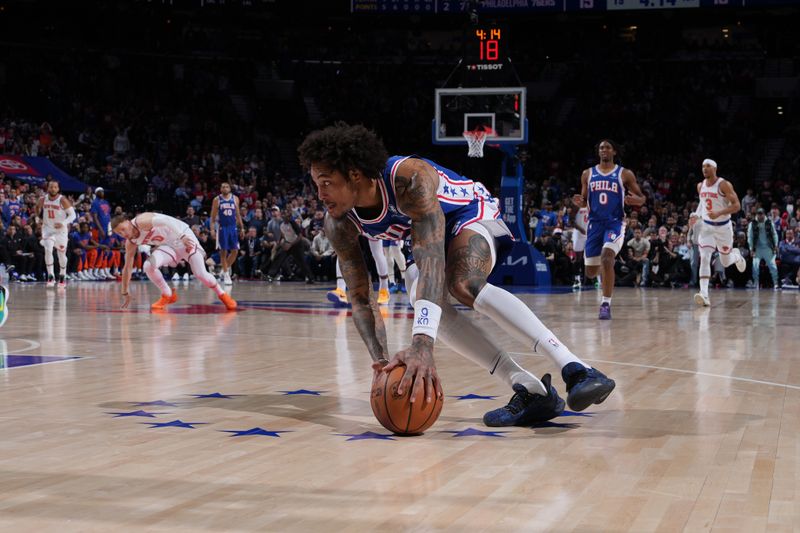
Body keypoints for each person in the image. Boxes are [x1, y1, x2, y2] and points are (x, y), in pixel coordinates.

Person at [299, 123, 615, 427]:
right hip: (425, 233)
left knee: (462, 283)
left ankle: (577, 369)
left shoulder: (407, 178)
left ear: (354, 175)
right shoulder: (338, 223)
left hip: (470, 211)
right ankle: (530, 389)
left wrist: (422, 345)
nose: (320, 193)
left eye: (326, 182)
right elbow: (360, 297)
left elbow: (432, 259)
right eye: (315, 184)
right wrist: (381, 364)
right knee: (414, 291)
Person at [572, 140, 646, 319]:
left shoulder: (624, 174)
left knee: (607, 257)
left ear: (614, 152)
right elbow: (583, 198)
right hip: (594, 225)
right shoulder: (587, 174)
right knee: (590, 272)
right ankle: (606, 273)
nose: (604, 150)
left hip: (615, 223)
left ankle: (605, 303)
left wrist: (637, 201)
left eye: (607, 148)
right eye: (601, 148)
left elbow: (642, 198)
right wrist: (580, 202)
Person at [111, 213, 237, 311]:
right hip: (168, 245)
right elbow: (127, 267)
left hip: (182, 235)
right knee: (148, 266)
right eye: (119, 233)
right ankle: (167, 294)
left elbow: (167, 221)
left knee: (200, 273)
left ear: (128, 222)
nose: (123, 234)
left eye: (123, 229)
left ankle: (222, 294)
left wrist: (182, 236)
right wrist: (124, 291)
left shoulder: (141, 221)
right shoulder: (131, 242)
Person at [688, 159, 747, 306]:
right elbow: (702, 203)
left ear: (715, 168)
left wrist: (719, 212)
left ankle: (736, 256)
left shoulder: (724, 185)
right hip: (707, 227)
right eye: (702, 166)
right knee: (705, 257)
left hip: (723, 228)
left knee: (725, 262)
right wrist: (696, 215)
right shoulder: (700, 186)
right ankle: (704, 294)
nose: (704, 168)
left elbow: (737, 206)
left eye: (708, 166)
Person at [35, 180, 75, 287]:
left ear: (58, 189)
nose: (53, 189)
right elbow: (37, 209)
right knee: (48, 250)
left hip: (60, 231)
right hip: (48, 229)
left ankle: (62, 274)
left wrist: (63, 223)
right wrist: (37, 219)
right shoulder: (42, 199)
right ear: (47, 188)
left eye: (55, 187)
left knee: (61, 254)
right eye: (51, 187)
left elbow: (73, 215)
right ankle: (50, 276)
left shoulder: (62, 200)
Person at [210, 182, 244, 286]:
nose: (225, 188)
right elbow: (212, 217)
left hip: (233, 228)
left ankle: (223, 270)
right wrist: (212, 230)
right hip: (222, 228)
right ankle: (226, 274)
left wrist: (242, 228)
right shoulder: (217, 200)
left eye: (227, 187)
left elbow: (238, 214)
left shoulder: (235, 198)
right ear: (220, 189)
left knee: (235, 251)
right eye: (223, 186)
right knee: (223, 252)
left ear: (230, 188)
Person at [747, 207, 779, 289]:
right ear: (757, 215)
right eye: (759, 214)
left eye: (762, 214)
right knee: (755, 265)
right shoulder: (752, 224)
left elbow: (774, 234)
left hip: (768, 247)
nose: (760, 216)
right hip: (757, 248)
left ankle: (775, 282)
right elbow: (750, 237)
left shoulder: (769, 223)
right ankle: (756, 282)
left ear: (764, 214)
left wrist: (775, 245)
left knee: (772, 265)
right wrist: (751, 249)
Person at [90, 187, 115, 280]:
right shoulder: (95, 203)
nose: (102, 192)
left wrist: (110, 227)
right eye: (100, 191)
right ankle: (94, 270)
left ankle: (102, 269)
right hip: (98, 229)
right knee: (99, 248)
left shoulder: (106, 202)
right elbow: (95, 217)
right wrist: (100, 229)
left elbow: (108, 215)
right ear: (96, 193)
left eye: (103, 191)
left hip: (107, 227)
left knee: (106, 249)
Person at [570, 205, 589, 290]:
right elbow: (570, 222)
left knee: (592, 257)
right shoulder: (576, 206)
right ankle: (577, 280)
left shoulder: (592, 203)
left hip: (590, 233)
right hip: (578, 235)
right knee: (578, 258)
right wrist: (580, 229)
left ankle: (597, 279)